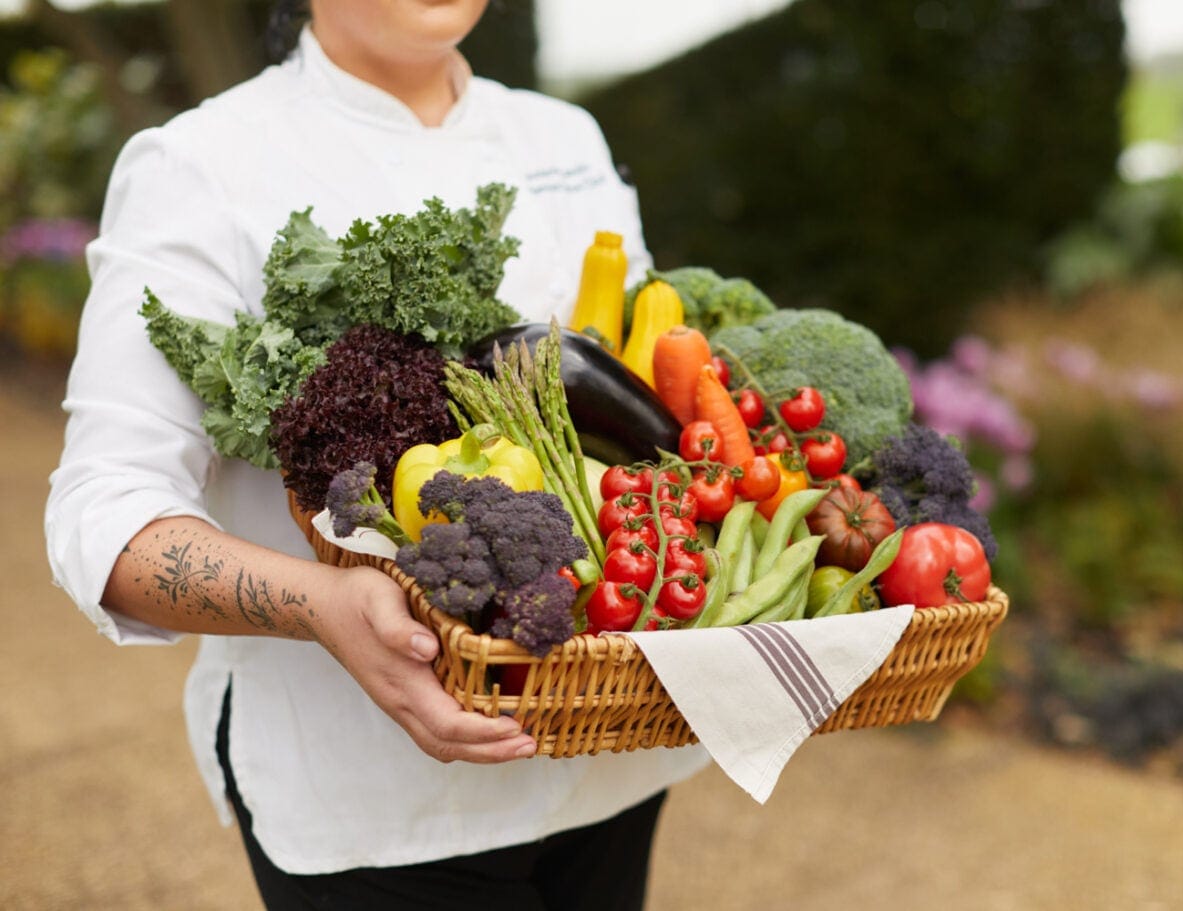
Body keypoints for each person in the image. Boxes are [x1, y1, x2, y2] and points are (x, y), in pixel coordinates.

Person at [43, 1, 710, 908]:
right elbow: (104, 515)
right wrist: (319, 601)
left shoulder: (565, 137)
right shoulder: (201, 164)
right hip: (371, 806)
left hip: (609, 758)